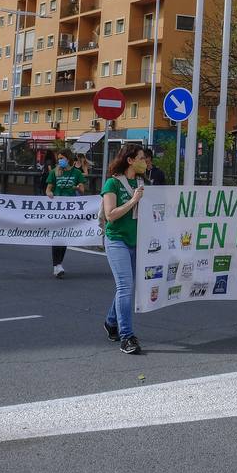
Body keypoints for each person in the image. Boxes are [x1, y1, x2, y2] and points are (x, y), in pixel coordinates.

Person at [101, 143, 144, 354]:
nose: (145, 162)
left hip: (136, 241)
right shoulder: (112, 183)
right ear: (130, 160)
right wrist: (134, 201)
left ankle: (111, 321)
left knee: (126, 287)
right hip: (116, 239)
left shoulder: (143, 182)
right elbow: (110, 215)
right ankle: (126, 336)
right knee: (125, 287)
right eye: (142, 158)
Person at [46, 151, 86, 279]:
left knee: (65, 236)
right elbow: (48, 188)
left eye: (62, 158)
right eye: (58, 159)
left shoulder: (77, 173)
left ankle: (59, 264)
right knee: (57, 235)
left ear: (68, 159)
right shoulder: (54, 172)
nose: (59, 161)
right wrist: (49, 193)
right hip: (57, 209)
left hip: (70, 209)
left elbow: (82, 189)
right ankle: (57, 265)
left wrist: (77, 188)